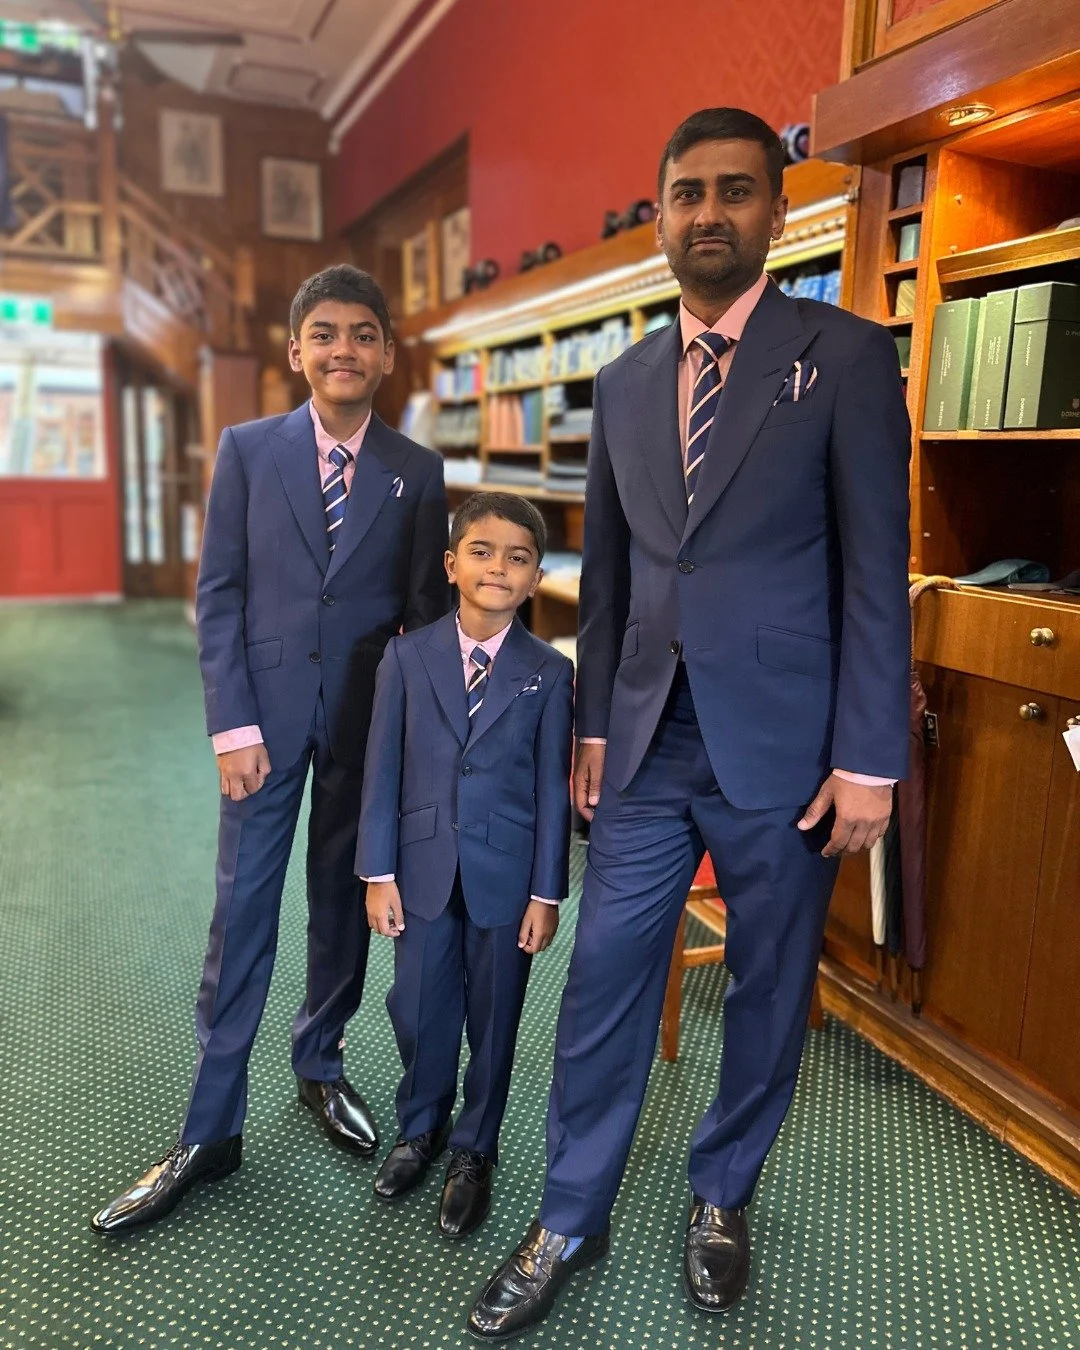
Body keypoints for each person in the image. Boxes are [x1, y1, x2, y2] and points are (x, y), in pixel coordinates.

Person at [468, 107, 911, 1338]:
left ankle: (724, 1193)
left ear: (776, 209)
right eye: (686, 194)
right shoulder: (621, 383)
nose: (707, 213)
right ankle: (570, 1213)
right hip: (648, 741)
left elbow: (876, 573)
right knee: (603, 975)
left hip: (791, 751)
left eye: (733, 191)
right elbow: (609, 578)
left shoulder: (846, 357)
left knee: (768, 987)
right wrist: (594, 729)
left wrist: (870, 756)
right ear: (661, 214)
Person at [91, 265, 449, 1235]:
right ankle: (210, 1127)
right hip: (263, 724)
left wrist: (410, 743)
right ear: (296, 351)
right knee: (241, 912)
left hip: (365, 728)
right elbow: (220, 594)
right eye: (324, 333)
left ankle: (320, 1062)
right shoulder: (248, 450)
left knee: (340, 901)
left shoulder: (418, 472)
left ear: (387, 353)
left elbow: (426, 616)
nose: (344, 349)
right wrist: (232, 725)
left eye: (363, 334)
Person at [358, 492, 573, 1239]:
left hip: (507, 878)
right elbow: (381, 770)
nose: (498, 568)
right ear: (452, 565)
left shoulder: (549, 673)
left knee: (495, 1016)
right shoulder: (405, 656)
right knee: (418, 1007)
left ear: (536, 578)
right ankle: (421, 1128)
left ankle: (474, 1148)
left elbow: (551, 790)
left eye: (518, 558)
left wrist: (547, 892)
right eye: (482, 552)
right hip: (419, 868)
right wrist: (377, 873)